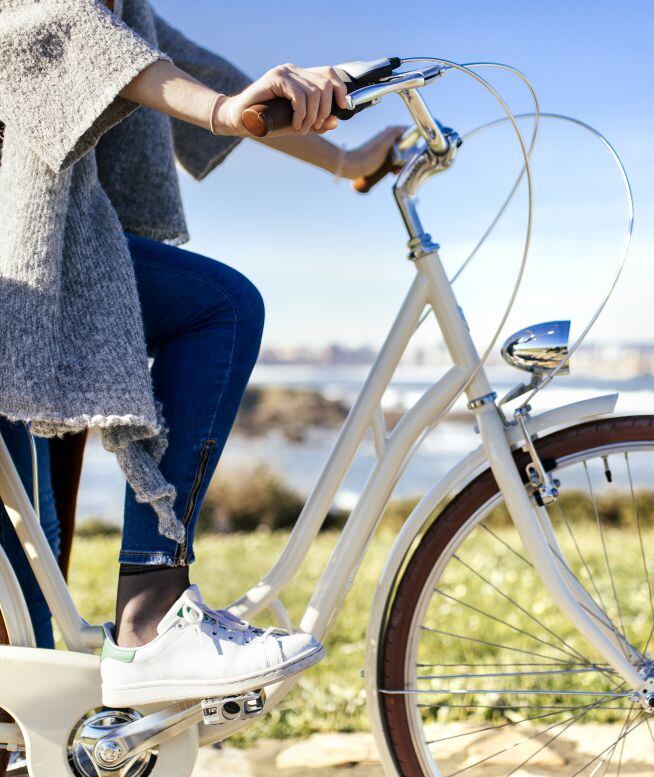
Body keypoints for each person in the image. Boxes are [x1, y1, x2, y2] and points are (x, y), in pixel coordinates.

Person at [0, 0, 403, 707]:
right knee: (219, 307)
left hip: (37, 257)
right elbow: (68, 34)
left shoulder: (128, 8)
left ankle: (140, 629)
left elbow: (191, 71)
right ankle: (152, 616)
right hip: (19, 262)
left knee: (30, 600)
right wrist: (222, 109)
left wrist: (343, 158)